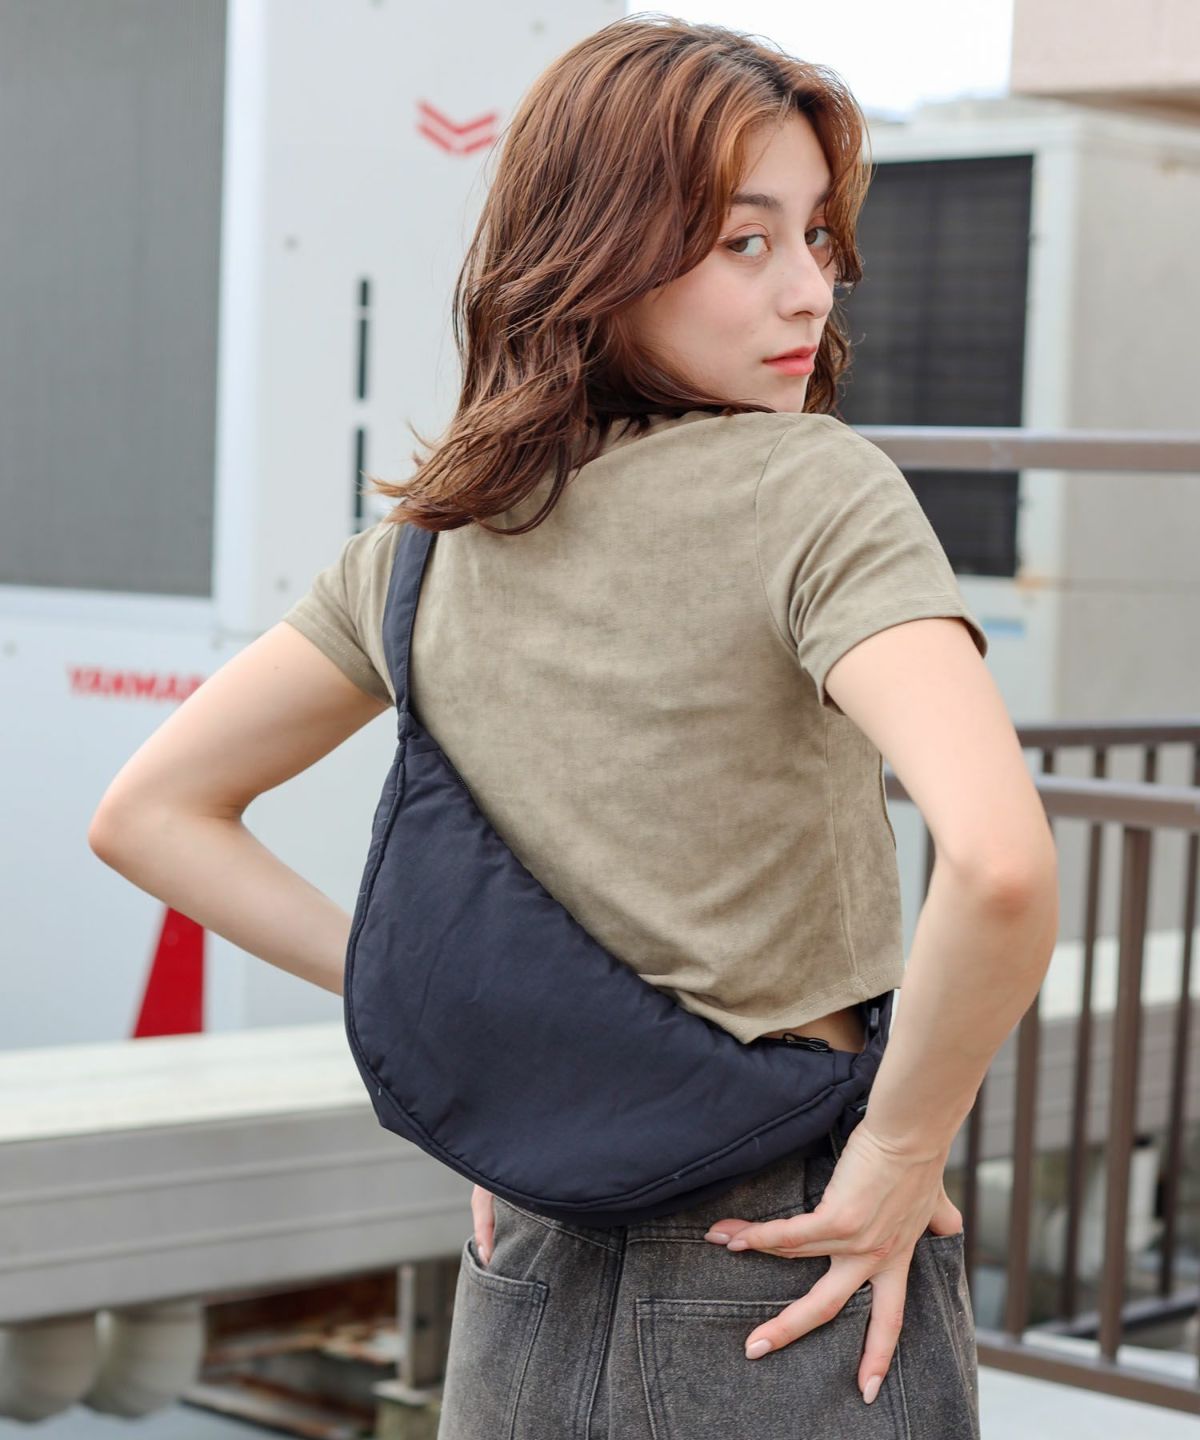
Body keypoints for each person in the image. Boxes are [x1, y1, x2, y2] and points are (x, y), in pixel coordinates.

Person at [88, 13, 1059, 1438]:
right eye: (745, 242)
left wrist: (435, 1013)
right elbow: (1003, 865)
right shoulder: (813, 490)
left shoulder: (425, 546)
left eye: (816, 238)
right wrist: (904, 1151)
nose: (810, 290)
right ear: (599, 250)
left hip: (526, 1238)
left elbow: (148, 815)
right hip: (789, 1240)